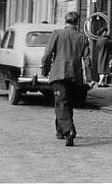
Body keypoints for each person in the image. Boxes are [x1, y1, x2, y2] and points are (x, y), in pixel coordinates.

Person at [41, 11, 90, 147]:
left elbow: (48, 54)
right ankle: (60, 131)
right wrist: (91, 78)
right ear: (77, 22)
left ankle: (69, 130)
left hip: (59, 73)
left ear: (65, 21)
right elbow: (87, 59)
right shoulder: (82, 38)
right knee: (67, 102)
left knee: (61, 102)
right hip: (74, 75)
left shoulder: (57, 34)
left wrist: (45, 70)